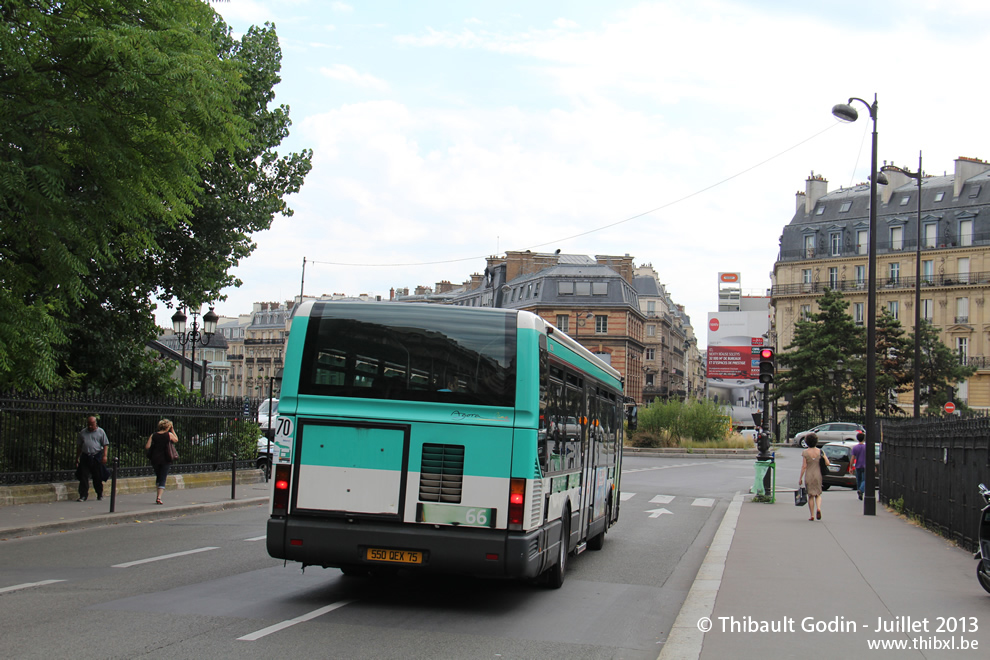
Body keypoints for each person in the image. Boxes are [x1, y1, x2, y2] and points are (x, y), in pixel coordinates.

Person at [76, 415, 109, 502]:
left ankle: (99, 493)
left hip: (96, 455)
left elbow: (105, 444)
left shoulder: (101, 432)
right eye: (88, 424)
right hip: (86, 455)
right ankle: (83, 495)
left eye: (92, 424)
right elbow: (79, 446)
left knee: (97, 476)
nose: (90, 426)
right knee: (83, 476)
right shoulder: (83, 432)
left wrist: (104, 456)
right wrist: (77, 457)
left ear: (95, 423)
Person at [145, 419, 178, 505]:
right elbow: (176, 440)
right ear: (168, 427)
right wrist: (172, 430)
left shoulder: (154, 435)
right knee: (163, 477)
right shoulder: (169, 435)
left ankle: (158, 494)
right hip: (166, 458)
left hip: (155, 458)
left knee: (159, 476)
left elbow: (147, 446)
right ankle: (159, 497)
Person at [798, 432, 830, 521]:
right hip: (818, 474)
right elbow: (827, 463)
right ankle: (818, 508)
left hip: (809, 475)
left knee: (810, 496)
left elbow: (804, 466)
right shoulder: (820, 452)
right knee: (818, 494)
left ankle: (812, 515)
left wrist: (800, 478)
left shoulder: (805, 452)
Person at [850, 431, 867, 501]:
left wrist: (851, 467)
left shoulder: (855, 448)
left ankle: (859, 491)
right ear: (864, 439)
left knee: (859, 480)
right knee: (864, 480)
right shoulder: (866, 447)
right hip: (865, 466)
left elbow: (853, 458)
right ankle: (861, 490)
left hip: (858, 466)